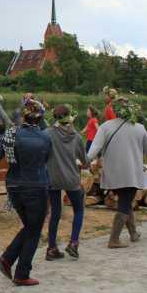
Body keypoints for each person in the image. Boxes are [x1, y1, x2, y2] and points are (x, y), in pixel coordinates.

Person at [0, 99, 51, 286]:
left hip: (14, 187)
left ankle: (8, 260)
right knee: (34, 230)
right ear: (40, 118)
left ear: (23, 115)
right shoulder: (45, 138)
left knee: (30, 227)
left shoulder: (11, 135)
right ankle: (21, 272)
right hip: (36, 187)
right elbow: (45, 162)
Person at [87, 96, 147, 248]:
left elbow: (94, 149)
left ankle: (133, 233)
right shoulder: (139, 128)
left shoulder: (105, 126)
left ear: (114, 111)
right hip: (131, 173)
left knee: (125, 200)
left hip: (111, 173)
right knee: (125, 202)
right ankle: (114, 239)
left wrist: (85, 161)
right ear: (131, 110)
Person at [44, 104, 88, 260]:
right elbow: (85, 161)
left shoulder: (47, 134)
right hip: (71, 179)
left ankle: (51, 248)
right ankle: (74, 243)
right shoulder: (76, 136)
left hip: (52, 178)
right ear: (70, 117)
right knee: (79, 209)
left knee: (55, 212)